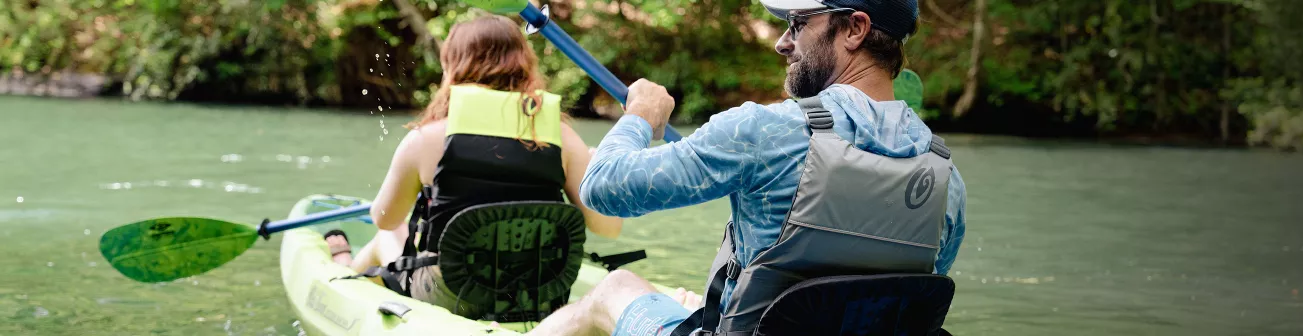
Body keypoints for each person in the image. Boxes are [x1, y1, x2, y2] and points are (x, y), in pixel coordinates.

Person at [526, 0, 966, 335]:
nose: (782, 42)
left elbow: (601, 187)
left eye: (797, 24)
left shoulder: (764, 131)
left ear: (854, 29)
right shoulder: (946, 177)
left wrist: (639, 117)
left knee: (614, 287)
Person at [322, 14, 637, 319]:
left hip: (453, 296)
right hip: (539, 292)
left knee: (386, 237)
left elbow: (385, 218)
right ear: (525, 65)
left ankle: (343, 275)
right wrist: (600, 170)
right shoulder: (563, 138)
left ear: (453, 68)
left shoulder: (426, 139)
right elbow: (609, 227)